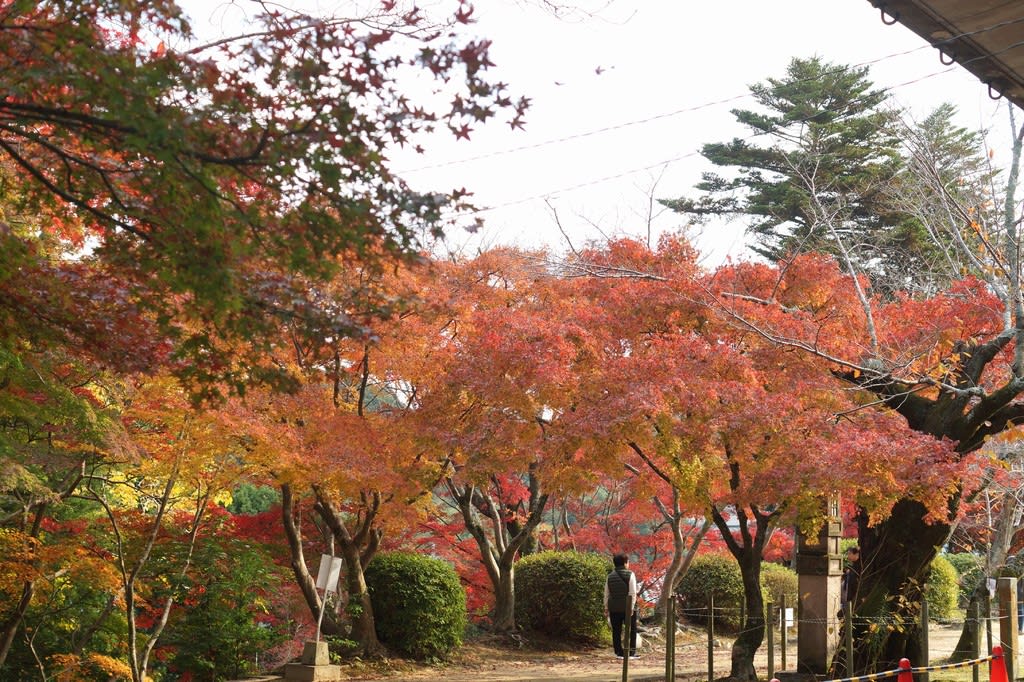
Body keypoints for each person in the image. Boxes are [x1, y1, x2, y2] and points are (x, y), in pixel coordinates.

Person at [604, 553, 639, 659]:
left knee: (616, 630)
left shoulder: (609, 576)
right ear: (625, 563)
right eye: (628, 562)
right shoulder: (630, 574)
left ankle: (618, 652)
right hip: (627, 608)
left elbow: (606, 593)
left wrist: (606, 608)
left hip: (614, 608)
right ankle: (631, 652)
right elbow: (632, 593)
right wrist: (631, 607)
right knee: (632, 629)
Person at [839, 545, 860, 618]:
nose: (848, 556)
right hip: (848, 598)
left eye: (849, 554)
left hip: (853, 598)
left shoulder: (858, 568)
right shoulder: (852, 567)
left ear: (856, 554)